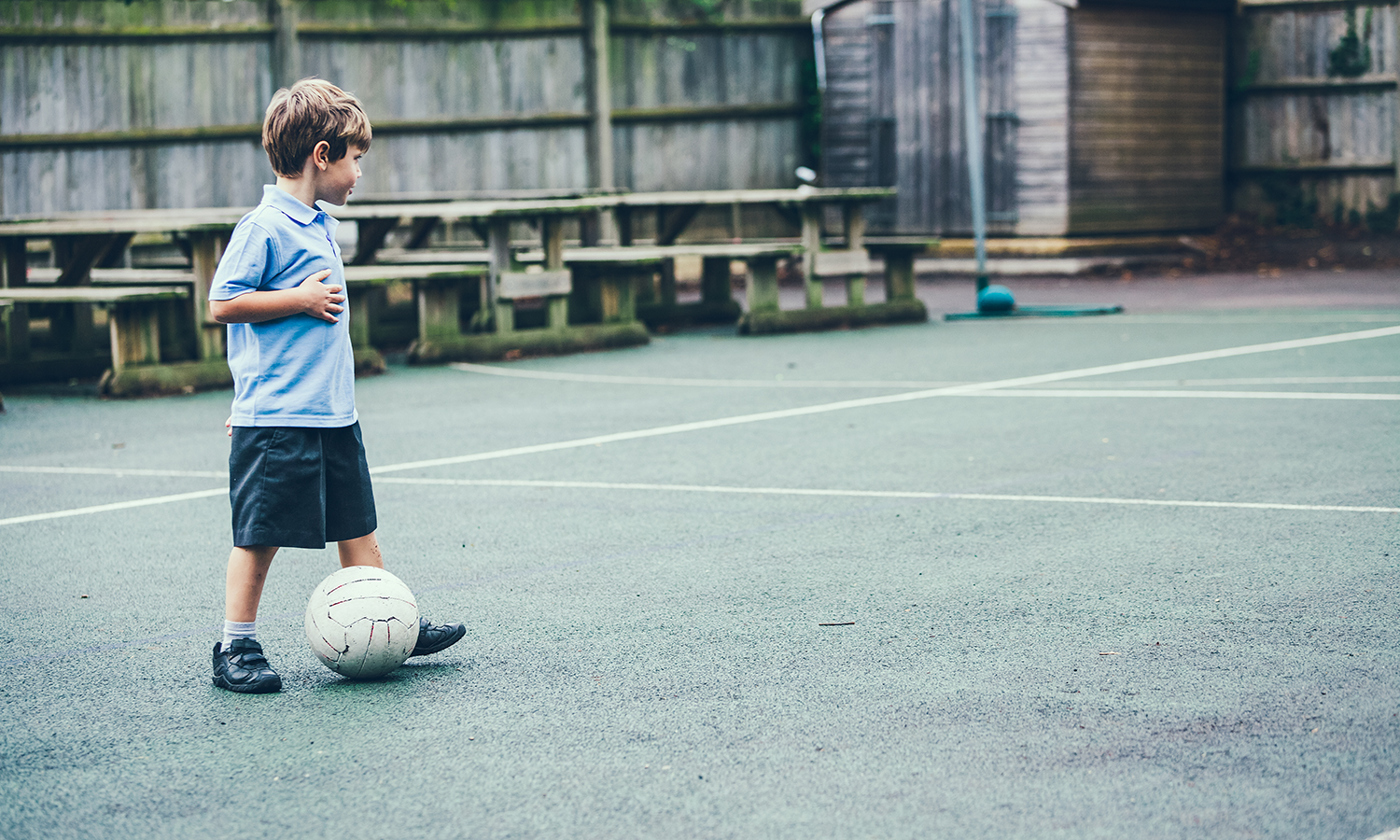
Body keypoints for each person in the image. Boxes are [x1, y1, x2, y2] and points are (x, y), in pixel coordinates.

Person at [207, 78, 464, 693]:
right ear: (321, 156)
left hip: (333, 414)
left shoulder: (318, 222)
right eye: (354, 161)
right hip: (278, 419)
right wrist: (296, 299)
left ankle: (390, 619)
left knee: (358, 526)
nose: (357, 175)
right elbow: (223, 303)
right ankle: (234, 647)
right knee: (260, 535)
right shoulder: (263, 226)